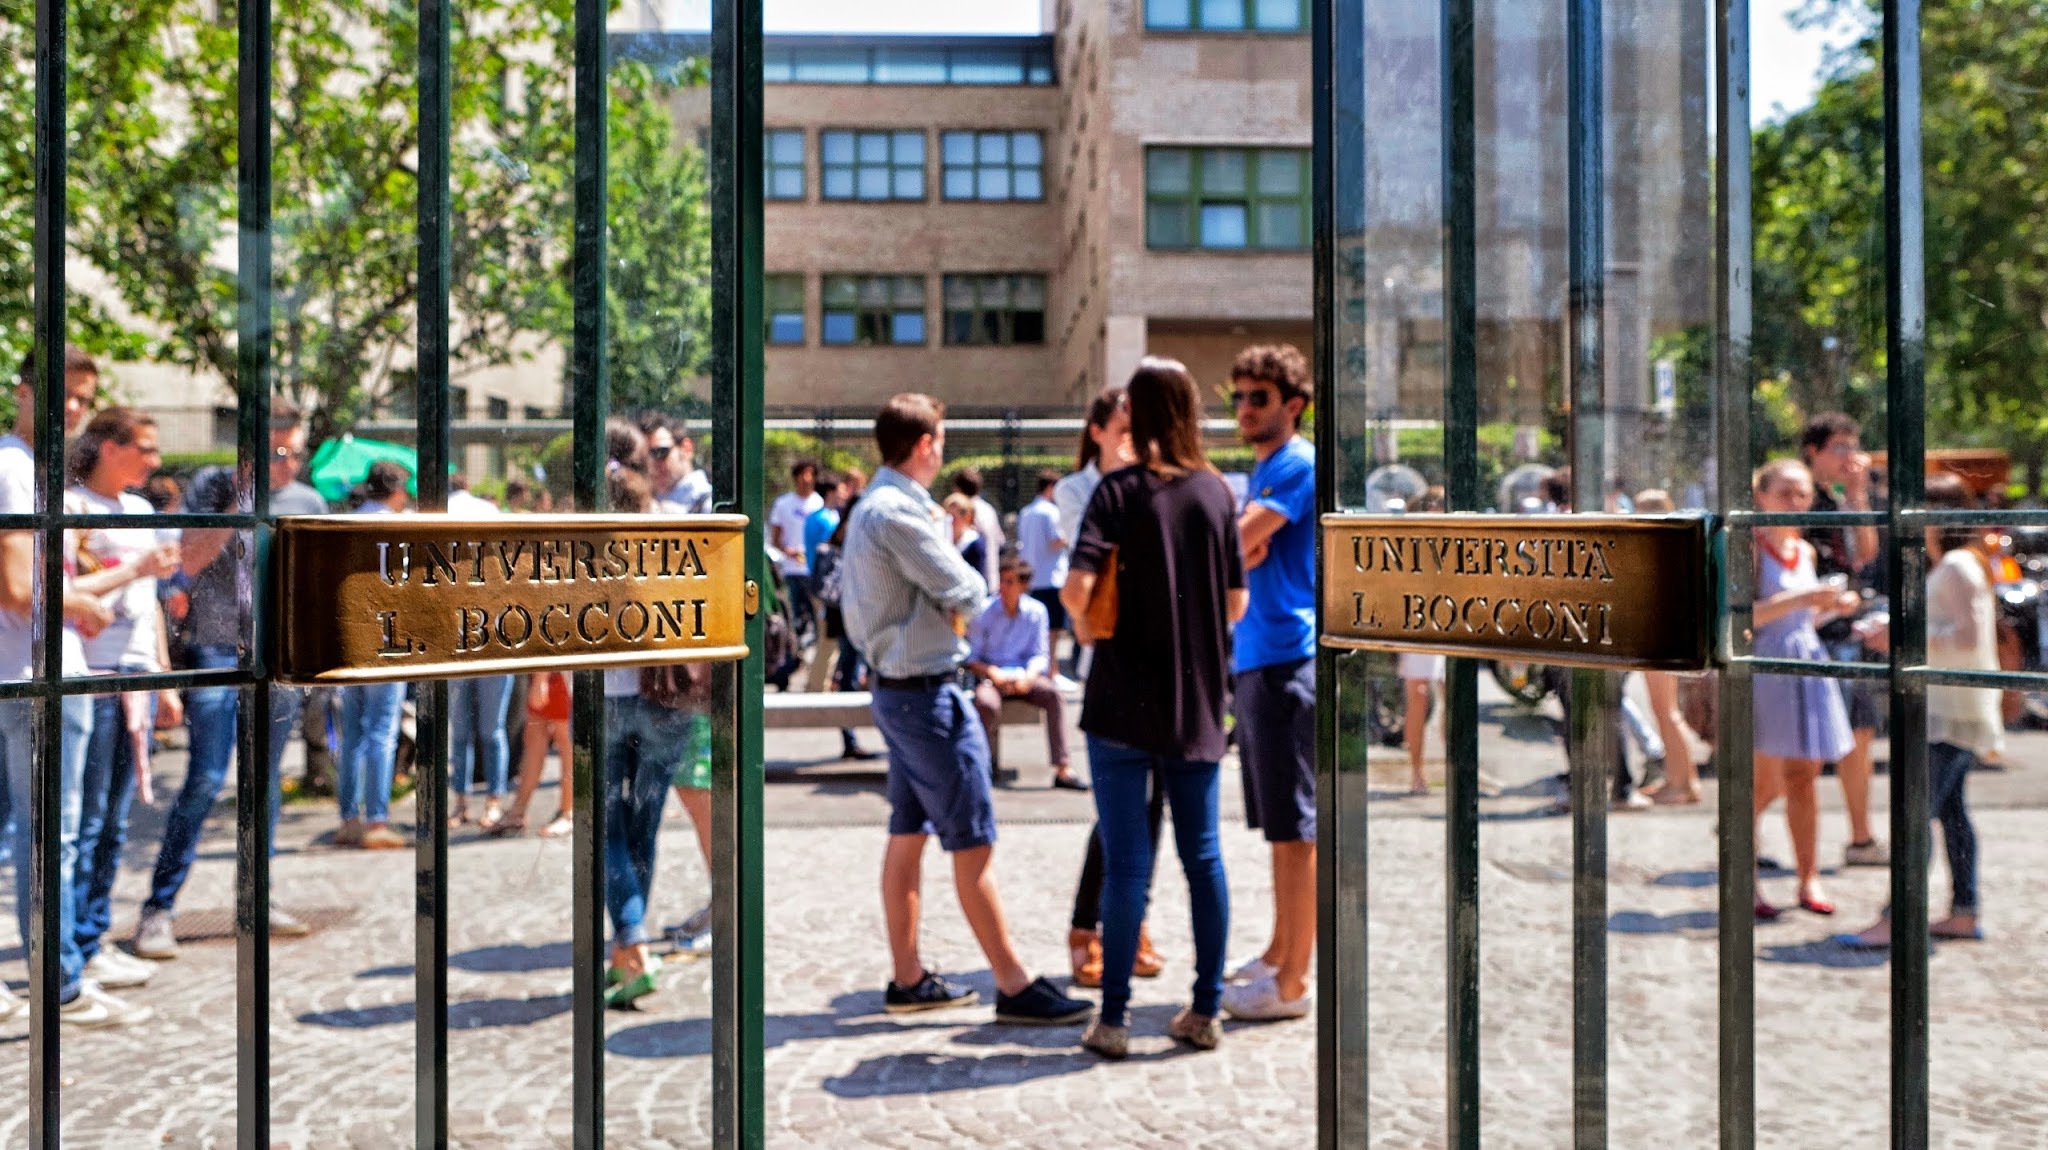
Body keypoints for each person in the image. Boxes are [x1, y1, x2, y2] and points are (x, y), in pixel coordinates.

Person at [841, 393, 1089, 1025]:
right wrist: (962, 543)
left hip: (902, 692)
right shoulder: (897, 512)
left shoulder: (885, 505)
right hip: (925, 695)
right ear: (925, 444)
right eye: (942, 437)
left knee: (906, 834)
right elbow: (970, 590)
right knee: (971, 839)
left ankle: (909, 979)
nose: (944, 448)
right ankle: (1013, 983)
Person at [1062, 356, 1244, 1058]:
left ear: (1134, 412)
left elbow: (1077, 591)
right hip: (1195, 699)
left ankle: (1112, 1020)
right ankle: (1204, 1010)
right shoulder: (1217, 493)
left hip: (1118, 700)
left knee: (1128, 861)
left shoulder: (1117, 491)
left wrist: (1089, 624)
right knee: (1204, 855)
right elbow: (1237, 602)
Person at [135, 397, 326, 960]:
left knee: (264, 785)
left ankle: (255, 898)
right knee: (205, 778)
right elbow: (185, 564)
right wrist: (242, 499)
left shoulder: (306, 499)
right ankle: (158, 908)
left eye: (296, 450)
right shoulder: (212, 484)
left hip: (278, 658)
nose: (289, 463)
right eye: (278, 450)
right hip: (218, 651)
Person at [0, 346, 149, 1027]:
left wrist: (98, 588)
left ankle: (54, 976)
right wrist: (80, 604)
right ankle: (55, 984)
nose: (72, 409)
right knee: (49, 837)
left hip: (49, 672)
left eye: (84, 398)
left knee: (49, 833)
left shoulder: (34, 471)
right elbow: (19, 590)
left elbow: (45, 586)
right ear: (24, 391)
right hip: (35, 677)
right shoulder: (13, 469)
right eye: (61, 393)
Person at [1841, 473, 1993, 949]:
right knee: (1950, 814)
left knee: (1916, 815)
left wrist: (1900, 638)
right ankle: (1962, 912)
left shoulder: (1955, 566)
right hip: (1955, 707)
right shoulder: (1958, 564)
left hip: (1949, 710)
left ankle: (1897, 918)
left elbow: (1966, 640)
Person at [1218, 344, 1319, 1023]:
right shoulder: (1265, 471)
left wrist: (1243, 540)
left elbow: (1237, 545)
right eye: (1239, 398)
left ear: (1293, 404)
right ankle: (1280, 951)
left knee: (1296, 829)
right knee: (1278, 829)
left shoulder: (1296, 463)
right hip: (1259, 658)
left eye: (1259, 397)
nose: (1246, 408)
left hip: (1287, 658)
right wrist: (1243, 541)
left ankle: (1292, 982)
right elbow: (1241, 544)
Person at [65, 409, 182, 993]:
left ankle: (92, 937)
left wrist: (162, 676)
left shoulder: (139, 511)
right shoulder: (73, 506)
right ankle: (75, 951)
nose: (154, 460)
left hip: (133, 675)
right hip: (92, 675)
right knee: (84, 824)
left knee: (112, 824)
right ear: (110, 448)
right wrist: (136, 567)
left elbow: (152, 600)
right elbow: (58, 588)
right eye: (145, 447)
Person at [1749, 458, 1858, 920]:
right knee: (1760, 781)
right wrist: (1806, 600)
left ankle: (1807, 875)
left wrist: (1835, 606)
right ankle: (1746, 874)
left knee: (1805, 776)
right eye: (1786, 492)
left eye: (1803, 493)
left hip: (1806, 659)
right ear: (1762, 495)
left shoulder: (1804, 551)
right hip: (1768, 667)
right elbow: (1746, 616)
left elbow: (1802, 619)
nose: (1796, 502)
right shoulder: (1750, 547)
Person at [1799, 412, 1888, 866]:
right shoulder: (1795, 496)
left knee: (1859, 734)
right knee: (1806, 751)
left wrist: (1858, 494)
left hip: (1843, 630)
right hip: (1807, 633)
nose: (1849, 457)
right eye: (1839, 447)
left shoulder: (1837, 500)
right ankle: (1748, 828)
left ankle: (1861, 838)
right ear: (1812, 451)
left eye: (1853, 447)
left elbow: (1865, 554)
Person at [334, 461, 412, 850]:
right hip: (387, 638)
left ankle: (349, 817)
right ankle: (376, 819)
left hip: (351, 637)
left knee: (352, 734)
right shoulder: (401, 527)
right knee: (381, 730)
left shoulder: (348, 523)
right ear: (397, 490)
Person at [967, 556, 1082, 790]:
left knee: (1054, 695)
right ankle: (980, 766)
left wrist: (1029, 677)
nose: (1004, 587)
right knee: (985, 703)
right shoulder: (985, 611)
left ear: (1023, 585)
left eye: (1010, 582)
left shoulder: (1036, 611)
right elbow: (972, 657)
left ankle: (1062, 767)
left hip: (1024, 676)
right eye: (1002, 581)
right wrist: (993, 673)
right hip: (992, 677)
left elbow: (1040, 654)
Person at [444, 476, 514, 830]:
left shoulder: (446, 518)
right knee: (490, 730)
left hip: (464, 642)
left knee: (465, 731)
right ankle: (491, 803)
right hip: (493, 642)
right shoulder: (491, 520)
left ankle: (464, 803)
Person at [1054, 388, 1133, 680]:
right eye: (1122, 430)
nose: (1130, 440)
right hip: (1104, 618)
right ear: (1097, 433)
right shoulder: (1072, 490)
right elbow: (1087, 546)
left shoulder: (1151, 483)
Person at [1633, 488, 1704, 804]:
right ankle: (1682, 780)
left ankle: (1682, 784)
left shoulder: (1659, 544)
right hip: (1666, 632)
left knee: (1666, 711)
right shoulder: (1674, 543)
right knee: (1665, 710)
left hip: (1661, 634)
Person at [494, 671, 574, 838]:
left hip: (556, 673)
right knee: (536, 740)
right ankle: (519, 809)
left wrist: (540, 679)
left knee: (565, 741)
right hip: (548, 673)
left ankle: (567, 812)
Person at [1012, 470, 1069, 675]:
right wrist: (1071, 535)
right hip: (1051, 578)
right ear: (1050, 487)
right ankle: (1052, 673)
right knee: (1052, 631)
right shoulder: (1051, 512)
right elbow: (1055, 542)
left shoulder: (1026, 511)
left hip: (1033, 579)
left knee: (1037, 629)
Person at [769, 458, 823, 643]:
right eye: (802, 474)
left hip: (815, 571)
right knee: (794, 616)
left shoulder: (820, 504)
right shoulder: (783, 504)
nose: (806, 479)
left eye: (810, 474)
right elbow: (775, 538)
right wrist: (788, 551)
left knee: (818, 618)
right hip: (791, 570)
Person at [802, 473, 846, 693]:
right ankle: (818, 687)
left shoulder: (814, 517)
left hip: (816, 583)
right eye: (840, 489)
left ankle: (817, 683)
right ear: (830, 492)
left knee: (825, 640)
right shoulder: (827, 520)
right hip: (826, 589)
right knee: (828, 641)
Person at [952, 466, 1004, 590]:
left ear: (958, 489)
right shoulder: (988, 509)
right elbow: (1000, 540)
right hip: (992, 578)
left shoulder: (963, 510)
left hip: (971, 580)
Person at [943, 493, 987, 577]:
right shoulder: (945, 540)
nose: (950, 522)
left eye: (954, 517)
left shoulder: (975, 544)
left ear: (967, 517)